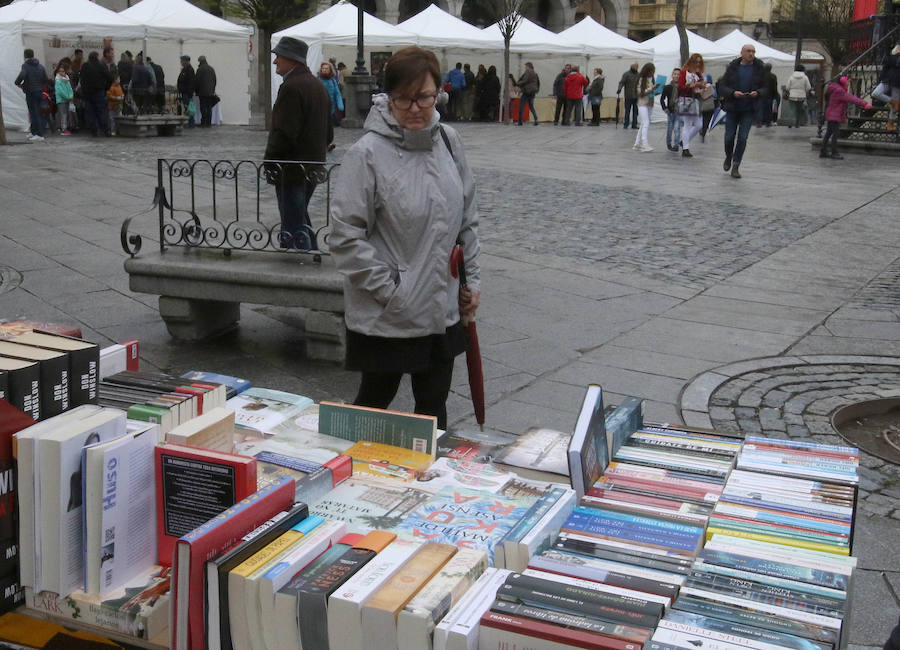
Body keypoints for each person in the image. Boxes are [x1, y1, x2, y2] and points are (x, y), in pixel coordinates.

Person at [329, 45, 481, 431]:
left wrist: (471, 283)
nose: (415, 107)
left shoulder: (448, 141)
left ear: (438, 94)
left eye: (424, 97)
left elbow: (468, 219)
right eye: (403, 98)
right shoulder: (366, 154)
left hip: (441, 308)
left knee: (434, 411)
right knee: (371, 409)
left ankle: (432, 484)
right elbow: (345, 237)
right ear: (387, 96)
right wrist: (393, 291)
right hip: (389, 314)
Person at [265, 37, 331, 250]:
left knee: (293, 221)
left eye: (278, 57)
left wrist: (270, 161)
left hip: (291, 167)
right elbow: (328, 132)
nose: (275, 62)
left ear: (290, 59)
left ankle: (302, 260)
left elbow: (283, 132)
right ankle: (308, 254)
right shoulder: (316, 85)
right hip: (312, 165)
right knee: (298, 216)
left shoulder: (292, 87)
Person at [719, 44, 768, 179]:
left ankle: (736, 165)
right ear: (742, 53)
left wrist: (757, 93)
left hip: (749, 108)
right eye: (748, 51)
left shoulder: (760, 69)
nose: (751, 54)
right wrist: (733, 93)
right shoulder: (733, 68)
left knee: (742, 138)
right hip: (733, 107)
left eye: (753, 51)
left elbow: (766, 88)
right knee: (729, 137)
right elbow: (722, 86)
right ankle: (728, 156)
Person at [821, 75, 871, 159]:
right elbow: (852, 98)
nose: (849, 83)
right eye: (848, 81)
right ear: (844, 82)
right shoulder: (840, 91)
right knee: (835, 134)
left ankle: (823, 151)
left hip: (831, 114)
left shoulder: (836, 89)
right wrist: (865, 103)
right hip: (834, 115)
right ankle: (834, 152)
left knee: (829, 133)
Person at [677, 53, 708, 158]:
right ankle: (685, 148)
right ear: (691, 61)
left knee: (699, 124)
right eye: (696, 61)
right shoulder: (684, 72)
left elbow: (700, 85)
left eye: (699, 62)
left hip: (696, 99)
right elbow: (680, 87)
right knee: (688, 124)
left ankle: (685, 141)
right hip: (686, 99)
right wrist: (693, 85)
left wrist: (703, 86)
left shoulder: (698, 74)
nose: (698, 64)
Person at [15, 48, 49, 141]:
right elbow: (45, 78)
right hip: (39, 91)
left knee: (34, 113)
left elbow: (22, 75)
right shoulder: (40, 66)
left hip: (30, 92)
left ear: (25, 55)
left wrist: (18, 83)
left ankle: (39, 134)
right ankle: (34, 132)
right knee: (38, 112)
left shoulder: (25, 66)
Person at [79, 51, 113, 137]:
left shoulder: (85, 66)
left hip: (87, 93)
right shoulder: (101, 65)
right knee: (102, 111)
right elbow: (110, 77)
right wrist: (106, 88)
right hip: (99, 92)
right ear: (97, 57)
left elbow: (81, 79)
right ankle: (106, 130)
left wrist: (84, 90)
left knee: (90, 112)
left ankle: (94, 130)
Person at [872, 44, 900, 132]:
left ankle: (890, 122)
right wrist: (881, 78)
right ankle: (893, 101)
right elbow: (885, 68)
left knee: (894, 107)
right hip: (887, 79)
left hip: (898, 82)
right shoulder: (892, 56)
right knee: (876, 93)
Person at [633, 63, 657, 153]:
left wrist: (656, 90)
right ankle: (644, 144)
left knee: (644, 123)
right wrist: (651, 89)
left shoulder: (650, 79)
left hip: (650, 103)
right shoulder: (641, 79)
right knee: (646, 122)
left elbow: (650, 91)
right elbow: (640, 92)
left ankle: (637, 143)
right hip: (643, 103)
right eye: (652, 71)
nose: (653, 73)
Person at [659, 67, 681, 151]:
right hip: (670, 111)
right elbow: (662, 99)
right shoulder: (668, 87)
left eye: (678, 74)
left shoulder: (682, 87)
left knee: (677, 128)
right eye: (675, 74)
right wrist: (664, 108)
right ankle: (668, 143)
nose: (676, 76)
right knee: (670, 128)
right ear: (672, 75)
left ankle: (676, 145)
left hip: (679, 111)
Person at [318, 61, 344, 126]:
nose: (324, 70)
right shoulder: (317, 80)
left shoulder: (333, 80)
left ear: (330, 70)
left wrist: (340, 105)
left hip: (331, 108)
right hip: (320, 108)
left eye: (326, 68)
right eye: (323, 68)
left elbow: (337, 93)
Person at [195, 55, 217, 127]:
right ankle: (208, 122)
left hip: (202, 93)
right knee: (209, 107)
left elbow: (197, 81)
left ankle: (204, 122)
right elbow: (214, 81)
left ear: (200, 61)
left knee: (203, 107)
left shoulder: (200, 69)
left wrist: (196, 91)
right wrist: (213, 90)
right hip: (210, 92)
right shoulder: (211, 69)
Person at [516, 62, 539, 126]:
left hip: (527, 91)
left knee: (521, 106)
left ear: (529, 67)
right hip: (532, 92)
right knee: (531, 106)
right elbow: (537, 82)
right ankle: (536, 119)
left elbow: (524, 81)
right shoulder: (534, 73)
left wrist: (517, 83)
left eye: (526, 67)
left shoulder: (528, 72)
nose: (525, 68)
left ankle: (520, 121)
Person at [617, 62, 639, 128]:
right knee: (627, 111)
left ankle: (634, 124)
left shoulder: (639, 74)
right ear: (631, 66)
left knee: (635, 111)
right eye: (635, 66)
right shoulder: (626, 74)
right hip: (628, 95)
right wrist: (619, 89)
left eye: (637, 66)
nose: (636, 67)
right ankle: (626, 124)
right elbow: (622, 82)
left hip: (637, 96)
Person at [54, 62, 73, 136]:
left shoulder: (67, 80)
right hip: (61, 100)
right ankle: (63, 129)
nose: (62, 73)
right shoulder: (58, 81)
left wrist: (71, 96)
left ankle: (66, 128)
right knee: (63, 115)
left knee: (67, 114)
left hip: (67, 99)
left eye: (63, 71)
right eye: (60, 71)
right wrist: (67, 97)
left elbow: (70, 89)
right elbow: (60, 91)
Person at [177, 55, 196, 127]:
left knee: (189, 108)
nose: (181, 62)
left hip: (187, 93)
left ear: (186, 61)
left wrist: (189, 93)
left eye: (182, 61)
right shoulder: (184, 69)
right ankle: (189, 122)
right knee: (187, 108)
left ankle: (191, 123)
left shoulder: (190, 70)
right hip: (184, 92)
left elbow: (191, 83)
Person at [699, 72, 717, 141]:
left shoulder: (700, 87)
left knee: (702, 119)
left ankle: (702, 130)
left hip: (702, 104)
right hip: (710, 105)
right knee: (706, 120)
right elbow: (715, 95)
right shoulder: (712, 86)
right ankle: (703, 132)